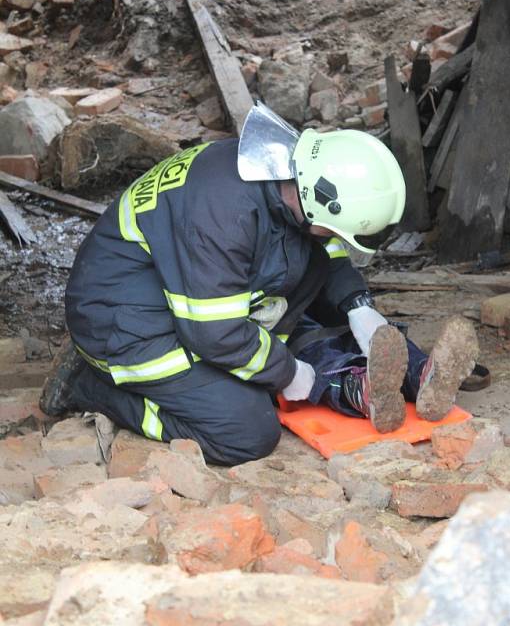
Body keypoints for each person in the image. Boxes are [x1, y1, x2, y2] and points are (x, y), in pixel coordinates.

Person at [40, 102, 478, 466]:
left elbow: (324, 251)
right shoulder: (223, 213)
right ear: (316, 204)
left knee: (307, 310)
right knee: (247, 429)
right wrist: (289, 375)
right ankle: (91, 388)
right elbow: (216, 333)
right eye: (335, 230)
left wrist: (357, 305)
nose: (336, 241)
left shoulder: (287, 176)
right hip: (123, 320)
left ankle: (401, 378)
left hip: (193, 294)